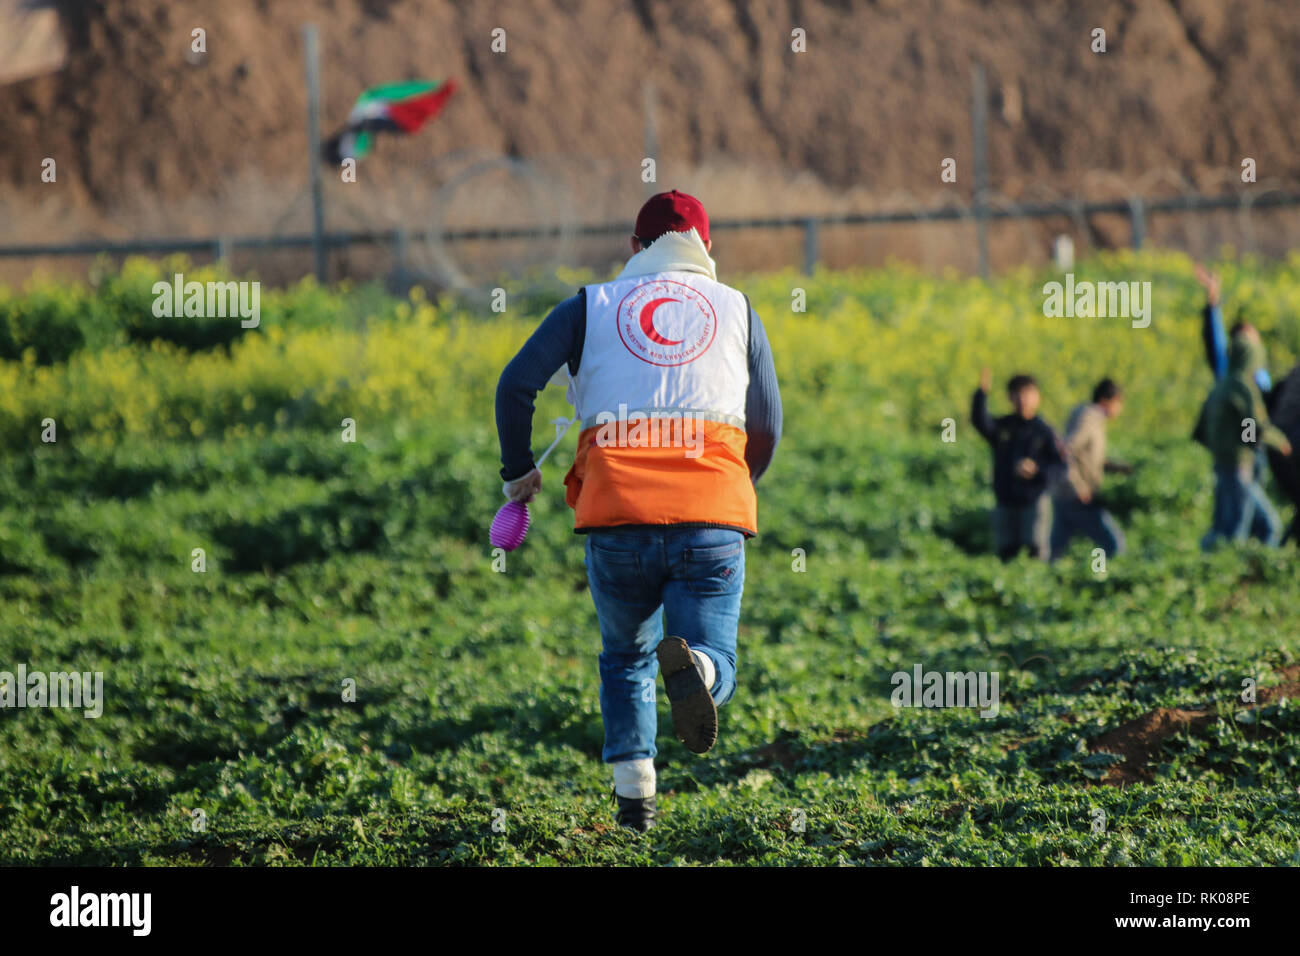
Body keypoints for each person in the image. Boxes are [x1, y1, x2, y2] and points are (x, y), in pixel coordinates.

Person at [494, 190, 782, 832]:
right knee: (715, 651)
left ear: (633, 249)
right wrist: (736, 490)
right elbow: (768, 420)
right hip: (711, 514)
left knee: (625, 656)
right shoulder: (738, 309)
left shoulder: (589, 306)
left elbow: (516, 383)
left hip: (616, 513)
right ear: (707, 249)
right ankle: (700, 670)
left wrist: (519, 470)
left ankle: (635, 806)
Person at [1193, 334, 1292, 549]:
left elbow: (1204, 427)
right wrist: (1279, 442)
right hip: (1238, 466)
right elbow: (1252, 424)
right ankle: (1241, 575)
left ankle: (1210, 565)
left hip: (1223, 464)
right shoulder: (1243, 387)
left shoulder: (1222, 384)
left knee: (1224, 526)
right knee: (1260, 527)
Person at [971, 368, 1066, 561]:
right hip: (1005, 500)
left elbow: (1060, 467)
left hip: (1034, 501)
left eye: (1027, 393)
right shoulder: (1003, 427)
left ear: (1037, 396)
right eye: (1017, 394)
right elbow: (981, 422)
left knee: (1035, 551)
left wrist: (1037, 471)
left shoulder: (1045, 431)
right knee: (1006, 552)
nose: (1022, 399)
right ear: (1010, 398)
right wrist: (981, 394)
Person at [1049, 379, 1132, 562]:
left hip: (1065, 493)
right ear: (1106, 400)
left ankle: (1048, 581)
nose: (1120, 409)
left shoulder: (1091, 418)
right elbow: (1066, 451)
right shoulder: (1089, 418)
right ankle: (1102, 578)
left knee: (1057, 549)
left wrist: (1120, 468)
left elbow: (1087, 458)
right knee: (1112, 544)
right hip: (1078, 496)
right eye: (1119, 403)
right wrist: (1078, 486)